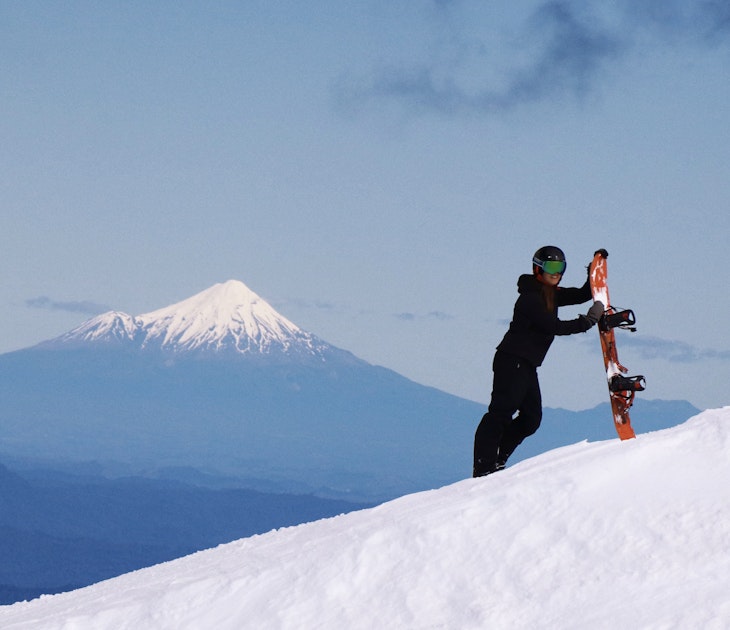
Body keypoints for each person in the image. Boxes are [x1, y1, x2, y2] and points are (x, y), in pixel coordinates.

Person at [472, 246, 605, 477]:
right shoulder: (530, 298)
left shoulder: (549, 293)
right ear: (537, 269)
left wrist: (593, 271)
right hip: (512, 360)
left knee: (531, 419)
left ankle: (498, 459)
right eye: (551, 267)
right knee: (500, 414)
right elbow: (554, 327)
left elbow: (582, 294)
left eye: (561, 268)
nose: (556, 273)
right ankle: (484, 467)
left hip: (527, 364)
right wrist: (588, 321)